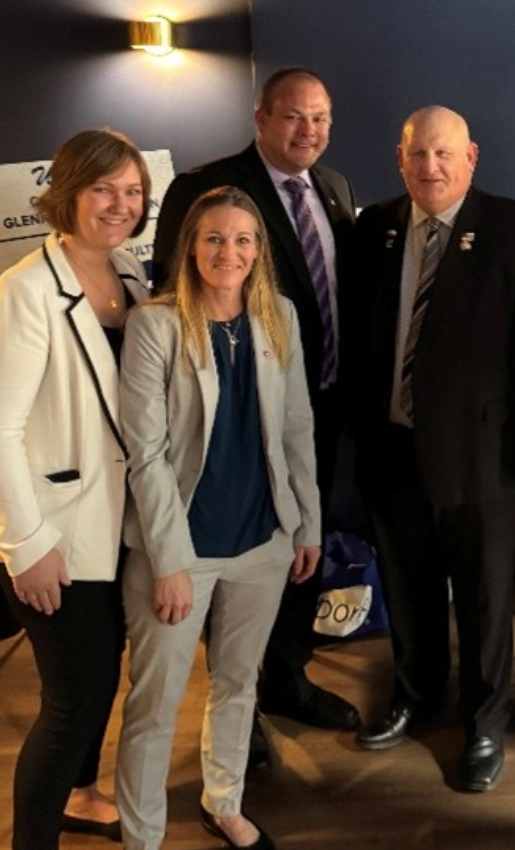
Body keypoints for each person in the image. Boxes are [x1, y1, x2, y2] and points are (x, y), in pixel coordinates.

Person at [346, 106, 515, 792]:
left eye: (444, 154)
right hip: (391, 450)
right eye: (419, 155)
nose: (431, 167)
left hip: (483, 457)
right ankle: (416, 697)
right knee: (409, 589)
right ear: (400, 158)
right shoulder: (375, 228)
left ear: (470, 157)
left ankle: (483, 722)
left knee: (481, 598)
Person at [152, 67, 358, 770]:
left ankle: (286, 678)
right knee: (228, 560)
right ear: (261, 117)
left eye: (322, 118)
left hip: (315, 406)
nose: (310, 131)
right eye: (295, 117)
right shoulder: (207, 190)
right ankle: (237, 705)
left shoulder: (334, 189)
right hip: (229, 413)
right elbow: (172, 293)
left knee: (298, 547)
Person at [116, 186, 322, 850]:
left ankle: (224, 799)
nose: (228, 251)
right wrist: (168, 562)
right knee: (154, 705)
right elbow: (144, 455)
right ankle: (141, 837)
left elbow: (297, 430)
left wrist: (307, 524)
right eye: (213, 238)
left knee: (237, 684)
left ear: (258, 250)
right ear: (190, 247)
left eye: (242, 239)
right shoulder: (157, 324)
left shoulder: (279, 316)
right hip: (180, 549)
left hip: (262, 540)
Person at [0, 128, 151, 850]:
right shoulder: (25, 290)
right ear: (67, 192)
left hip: (118, 528)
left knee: (101, 679)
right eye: (102, 189)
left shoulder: (131, 278)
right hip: (58, 534)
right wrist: (26, 545)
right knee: (72, 701)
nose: (120, 204)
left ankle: (82, 794)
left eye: (131, 191)